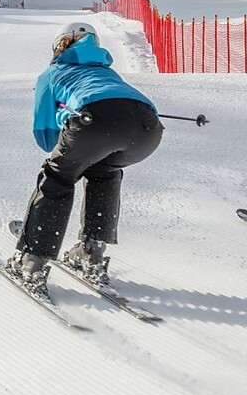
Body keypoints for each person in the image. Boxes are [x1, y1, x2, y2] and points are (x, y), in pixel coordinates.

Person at [9, 22, 163, 295]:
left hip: (93, 119)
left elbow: (45, 137)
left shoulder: (53, 73)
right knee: (105, 172)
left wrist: (74, 151)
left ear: (58, 46)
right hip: (147, 128)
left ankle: (32, 261)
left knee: (57, 177)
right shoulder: (108, 72)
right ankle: (91, 253)